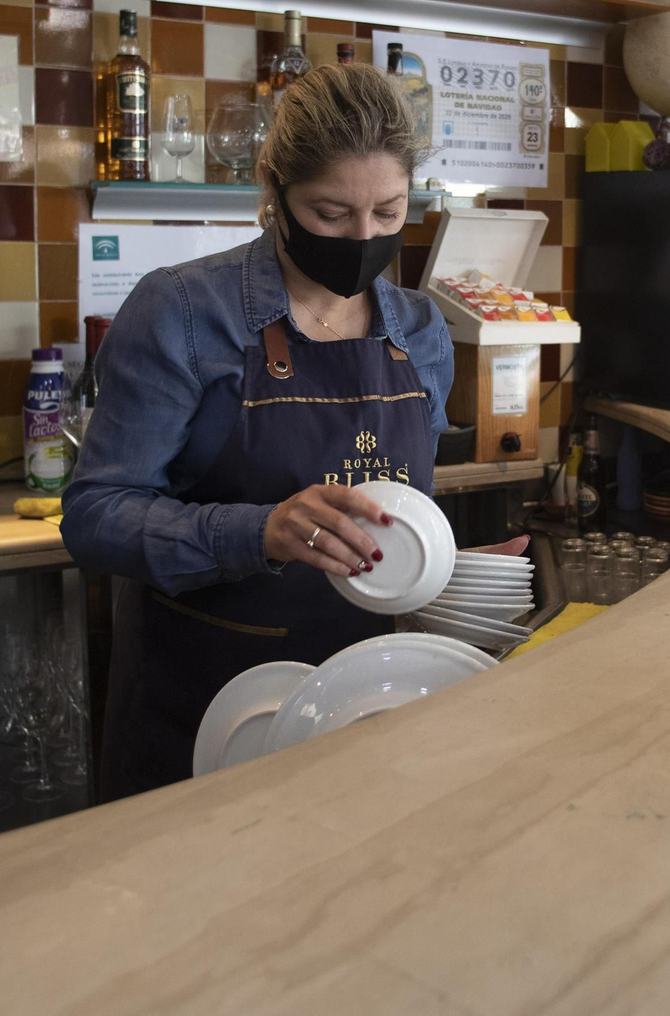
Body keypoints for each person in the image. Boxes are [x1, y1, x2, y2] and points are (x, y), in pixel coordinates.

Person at [62, 65, 521, 800]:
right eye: (331, 213)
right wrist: (262, 531)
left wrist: (446, 573)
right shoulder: (181, 312)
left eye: (387, 211)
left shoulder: (422, 331)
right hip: (210, 716)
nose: (362, 238)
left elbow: (388, 524)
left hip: (369, 704)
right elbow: (93, 514)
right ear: (273, 186)